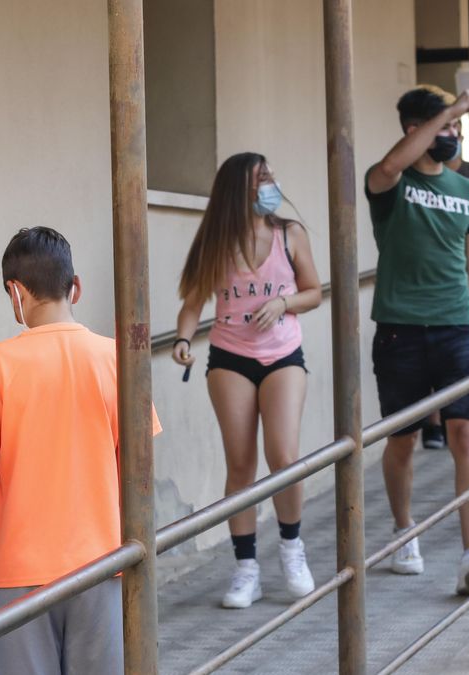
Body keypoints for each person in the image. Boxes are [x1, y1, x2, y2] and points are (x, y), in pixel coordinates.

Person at [0, 227, 161, 673]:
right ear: (76, 287)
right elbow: (138, 470)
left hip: (21, 569)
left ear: (14, 292)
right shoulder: (116, 358)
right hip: (104, 562)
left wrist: (7, 527)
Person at [172, 152, 321, 609]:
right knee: (240, 464)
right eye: (262, 178)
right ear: (239, 188)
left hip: (282, 356)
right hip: (230, 358)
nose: (271, 184)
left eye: (272, 176)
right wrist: (182, 339)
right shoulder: (217, 242)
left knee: (285, 456)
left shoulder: (289, 234)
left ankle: (292, 550)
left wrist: (285, 303)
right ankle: (246, 568)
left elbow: (315, 292)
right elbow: (193, 304)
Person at [366, 85, 469, 594]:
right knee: (403, 439)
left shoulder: (465, 188)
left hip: (455, 325)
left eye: (456, 129)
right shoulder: (388, 182)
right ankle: (404, 532)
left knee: (466, 436)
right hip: (399, 327)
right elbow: (391, 167)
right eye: (443, 127)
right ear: (414, 131)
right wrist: (454, 108)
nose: (453, 135)